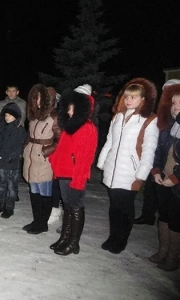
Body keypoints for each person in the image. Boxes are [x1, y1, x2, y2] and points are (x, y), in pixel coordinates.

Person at [97, 78, 159, 254]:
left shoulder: (148, 120)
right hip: (112, 169)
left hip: (130, 172)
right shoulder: (118, 117)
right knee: (114, 206)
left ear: (143, 99)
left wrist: (141, 174)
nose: (129, 100)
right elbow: (110, 141)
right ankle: (113, 236)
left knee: (125, 207)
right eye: (126, 96)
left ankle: (121, 239)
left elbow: (149, 150)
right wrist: (102, 161)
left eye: (133, 97)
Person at [48, 84, 98, 256]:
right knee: (67, 206)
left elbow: (86, 157)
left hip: (74, 175)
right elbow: (61, 150)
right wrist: (54, 163)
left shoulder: (87, 127)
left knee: (75, 207)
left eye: (71, 108)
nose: (68, 111)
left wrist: (79, 178)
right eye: (68, 108)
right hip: (63, 173)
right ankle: (65, 237)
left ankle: (74, 242)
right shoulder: (69, 126)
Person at [148, 80, 180, 271]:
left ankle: (174, 257)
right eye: (174, 102)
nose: (175, 107)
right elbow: (159, 151)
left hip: (177, 181)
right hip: (164, 177)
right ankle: (163, 250)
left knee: (177, 220)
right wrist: (156, 170)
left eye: (179, 103)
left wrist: (175, 178)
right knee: (164, 215)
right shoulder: (168, 126)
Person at [22, 84, 61, 234]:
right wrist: (26, 147)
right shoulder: (34, 116)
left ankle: (42, 223)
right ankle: (36, 220)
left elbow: (60, 139)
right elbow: (30, 135)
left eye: (39, 97)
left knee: (44, 192)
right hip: (31, 158)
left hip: (44, 159)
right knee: (34, 191)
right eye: (35, 97)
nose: (36, 100)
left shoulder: (54, 116)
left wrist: (46, 151)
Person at [0, 102, 27, 218]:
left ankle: (9, 208)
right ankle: (1, 204)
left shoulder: (19, 130)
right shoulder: (1, 128)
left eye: (10, 115)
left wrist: (12, 156)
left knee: (11, 187)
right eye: (6, 115)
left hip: (12, 163)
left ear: (16, 117)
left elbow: (19, 147)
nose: (7, 117)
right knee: (1, 185)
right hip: (1, 161)